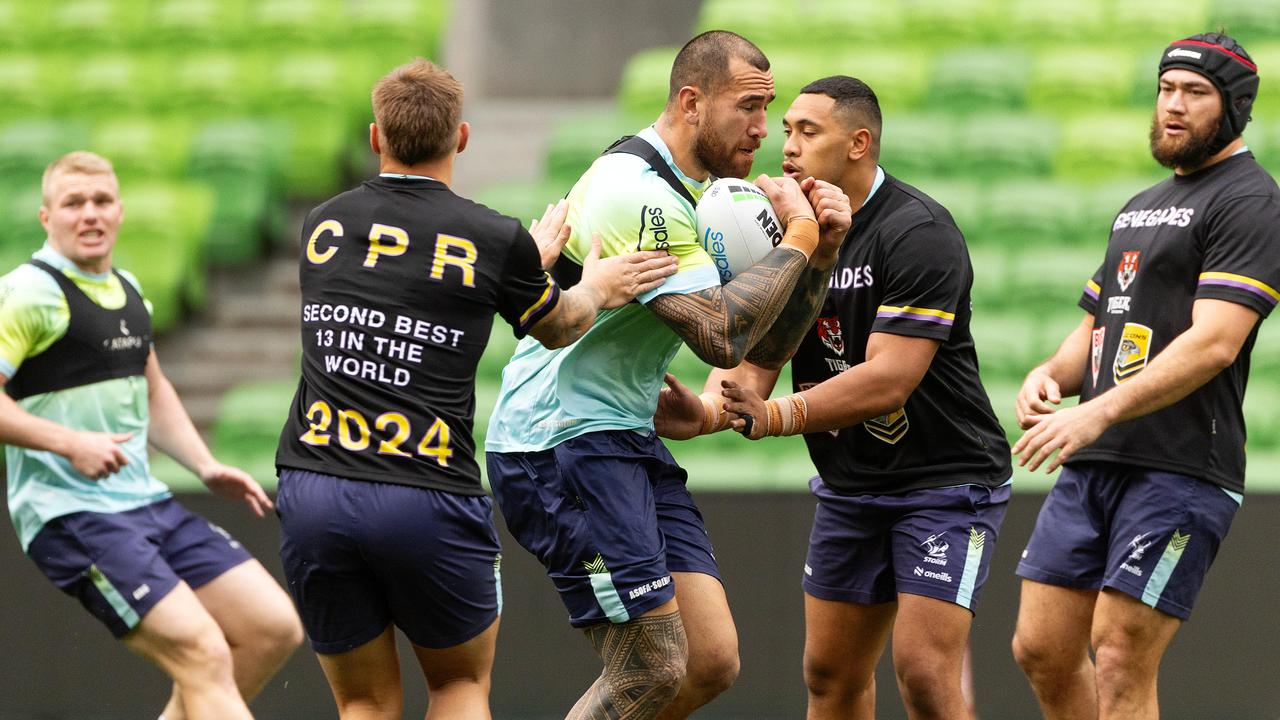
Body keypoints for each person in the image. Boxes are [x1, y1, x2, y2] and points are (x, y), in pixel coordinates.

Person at [273, 58, 678, 720]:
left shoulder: (324, 222)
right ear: (461, 138)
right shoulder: (493, 238)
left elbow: (400, 277)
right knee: (458, 687)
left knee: (364, 701)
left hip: (315, 487)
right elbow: (558, 327)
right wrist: (594, 285)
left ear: (376, 137)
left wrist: (520, 267)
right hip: (425, 490)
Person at [484, 31, 849, 720]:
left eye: (767, 108)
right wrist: (796, 238)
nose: (763, 129)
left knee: (708, 663)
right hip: (559, 444)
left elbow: (764, 340)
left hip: (622, 433)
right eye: (748, 107)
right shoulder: (636, 191)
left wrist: (820, 255)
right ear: (690, 102)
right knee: (651, 668)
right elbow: (719, 335)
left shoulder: (700, 192)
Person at [656, 76, 1013, 719]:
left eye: (806, 132)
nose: (785, 146)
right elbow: (763, 355)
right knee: (829, 677)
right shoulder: (786, 232)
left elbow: (888, 379)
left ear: (859, 143)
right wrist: (707, 412)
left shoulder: (918, 230)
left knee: (927, 676)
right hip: (852, 487)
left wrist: (777, 417)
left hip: (944, 484)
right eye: (785, 129)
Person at [1010, 32, 1280, 720]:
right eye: (1166, 90)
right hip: (1095, 462)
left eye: (1195, 93)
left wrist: (1099, 410)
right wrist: (1051, 374)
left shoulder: (1252, 201)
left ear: (1235, 107)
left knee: (1121, 655)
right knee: (1040, 647)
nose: (1173, 106)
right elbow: (1096, 325)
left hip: (1180, 468)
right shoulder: (1139, 204)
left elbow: (1215, 343)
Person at [0, 151, 302, 720]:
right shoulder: (27, 293)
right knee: (204, 654)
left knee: (272, 627)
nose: (89, 214)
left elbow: (154, 389)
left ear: (118, 211)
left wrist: (204, 465)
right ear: (46, 217)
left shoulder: (128, 288)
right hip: (73, 514)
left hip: (146, 504)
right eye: (73, 203)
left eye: (101, 201)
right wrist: (71, 443)